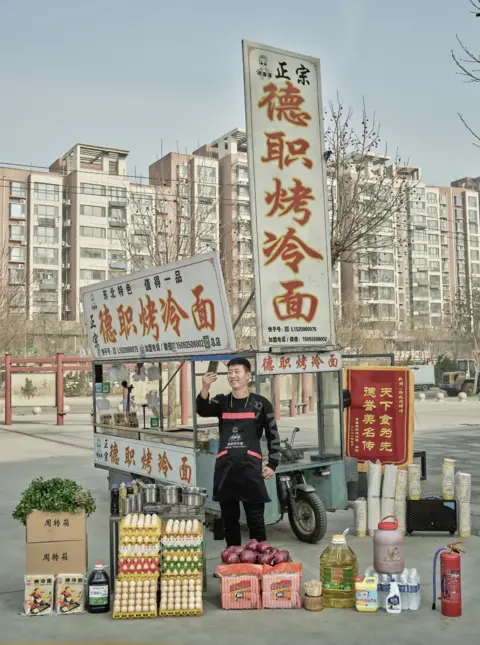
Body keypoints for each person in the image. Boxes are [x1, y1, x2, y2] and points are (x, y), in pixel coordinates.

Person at [196, 357, 281, 546]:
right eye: (230, 372)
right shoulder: (222, 402)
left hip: (251, 471)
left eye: (237, 372)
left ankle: (260, 565)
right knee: (229, 523)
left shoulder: (261, 404)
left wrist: (272, 463)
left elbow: (273, 434)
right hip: (226, 471)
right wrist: (205, 388)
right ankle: (232, 564)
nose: (232, 376)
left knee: (256, 522)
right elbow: (202, 409)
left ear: (248, 376)